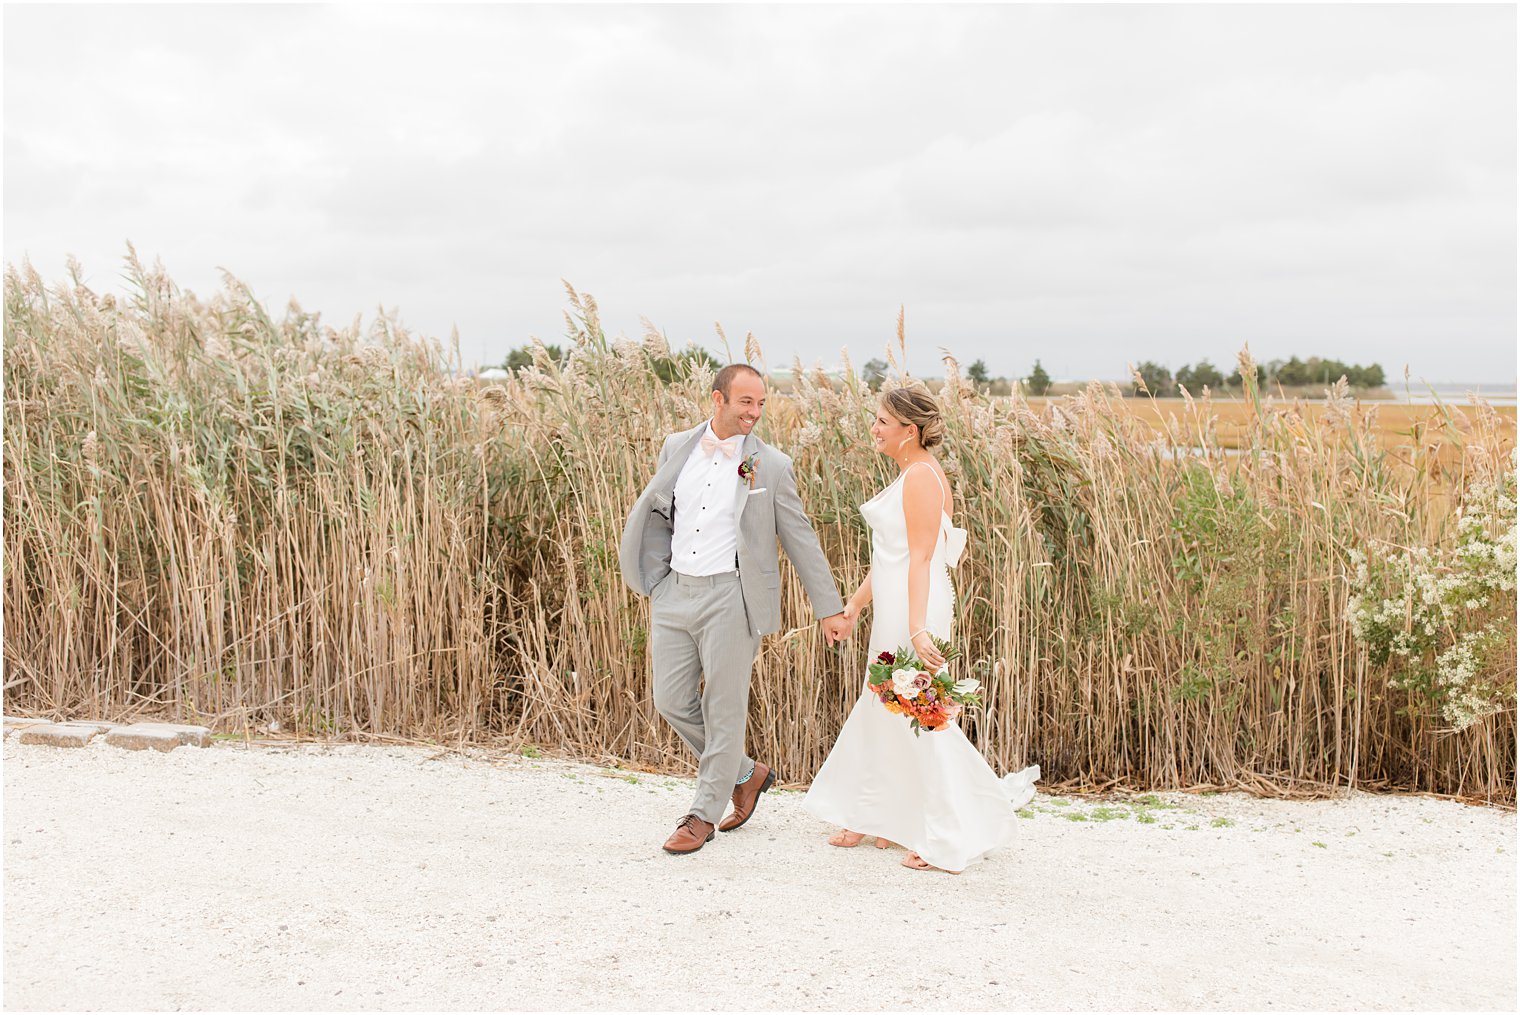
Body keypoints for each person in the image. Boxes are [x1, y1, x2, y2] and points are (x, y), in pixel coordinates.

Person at [803, 385, 1039, 873]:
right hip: (897, 607)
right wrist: (852, 607)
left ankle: (948, 832)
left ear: (908, 431)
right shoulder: (911, 473)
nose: (874, 429)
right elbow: (887, 556)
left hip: (919, 610)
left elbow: (922, 558)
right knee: (884, 707)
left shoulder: (923, 479)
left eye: (882, 422)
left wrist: (915, 629)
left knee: (921, 714)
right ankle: (879, 814)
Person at [619, 364, 851, 855]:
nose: (755, 413)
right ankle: (746, 773)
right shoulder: (676, 446)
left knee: (722, 711)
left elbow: (800, 540)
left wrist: (828, 607)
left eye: (762, 403)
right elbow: (661, 513)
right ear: (717, 400)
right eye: (746, 402)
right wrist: (657, 580)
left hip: (731, 598)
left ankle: (701, 817)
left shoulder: (772, 465)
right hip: (673, 593)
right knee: (670, 700)